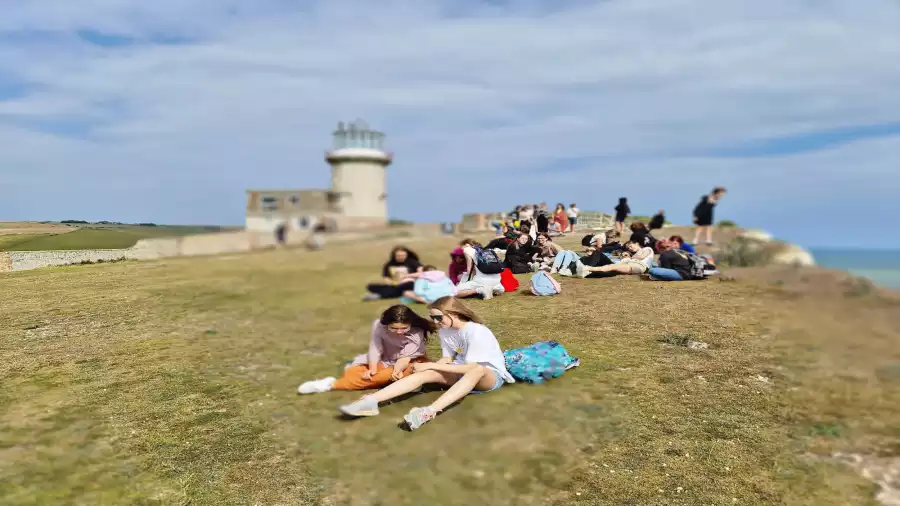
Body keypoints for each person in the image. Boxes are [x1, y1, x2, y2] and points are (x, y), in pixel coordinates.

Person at [338, 296, 514, 430]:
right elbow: (447, 359)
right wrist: (430, 369)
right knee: (426, 373)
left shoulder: (476, 332)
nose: (435, 322)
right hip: (460, 374)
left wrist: (431, 365)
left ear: (453, 313)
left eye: (438, 318)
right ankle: (370, 401)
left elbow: (471, 367)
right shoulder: (445, 331)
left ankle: (428, 412)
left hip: (488, 377)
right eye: (433, 318)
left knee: (476, 369)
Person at [298, 305, 436, 394]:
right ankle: (396, 381)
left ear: (410, 324)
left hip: (409, 362)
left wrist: (396, 372)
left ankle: (330, 385)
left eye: (403, 328)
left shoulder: (416, 331)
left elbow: (405, 358)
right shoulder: (379, 325)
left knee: (382, 377)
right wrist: (373, 368)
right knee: (359, 371)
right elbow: (375, 347)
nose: (399, 332)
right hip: (386, 359)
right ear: (386, 324)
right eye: (394, 328)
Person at [576, 240, 655, 277]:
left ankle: (587, 268)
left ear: (637, 243)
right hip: (628, 263)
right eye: (628, 248)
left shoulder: (647, 249)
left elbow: (641, 257)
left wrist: (628, 256)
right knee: (603, 259)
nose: (630, 248)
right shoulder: (633, 255)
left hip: (639, 265)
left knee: (612, 267)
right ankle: (585, 270)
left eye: (631, 246)